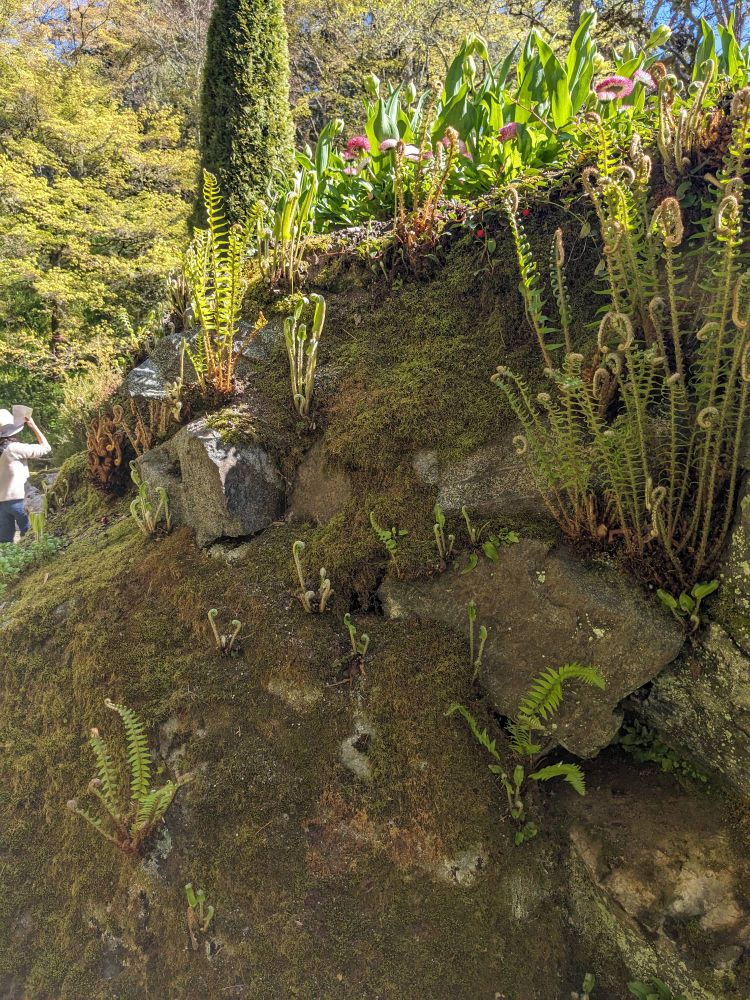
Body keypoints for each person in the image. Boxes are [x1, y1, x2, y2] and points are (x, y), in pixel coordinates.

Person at [0, 409, 51, 544]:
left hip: (1, 503)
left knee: (4, 544)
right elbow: (46, 448)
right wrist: (34, 427)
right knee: (30, 538)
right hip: (19, 500)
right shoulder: (13, 448)